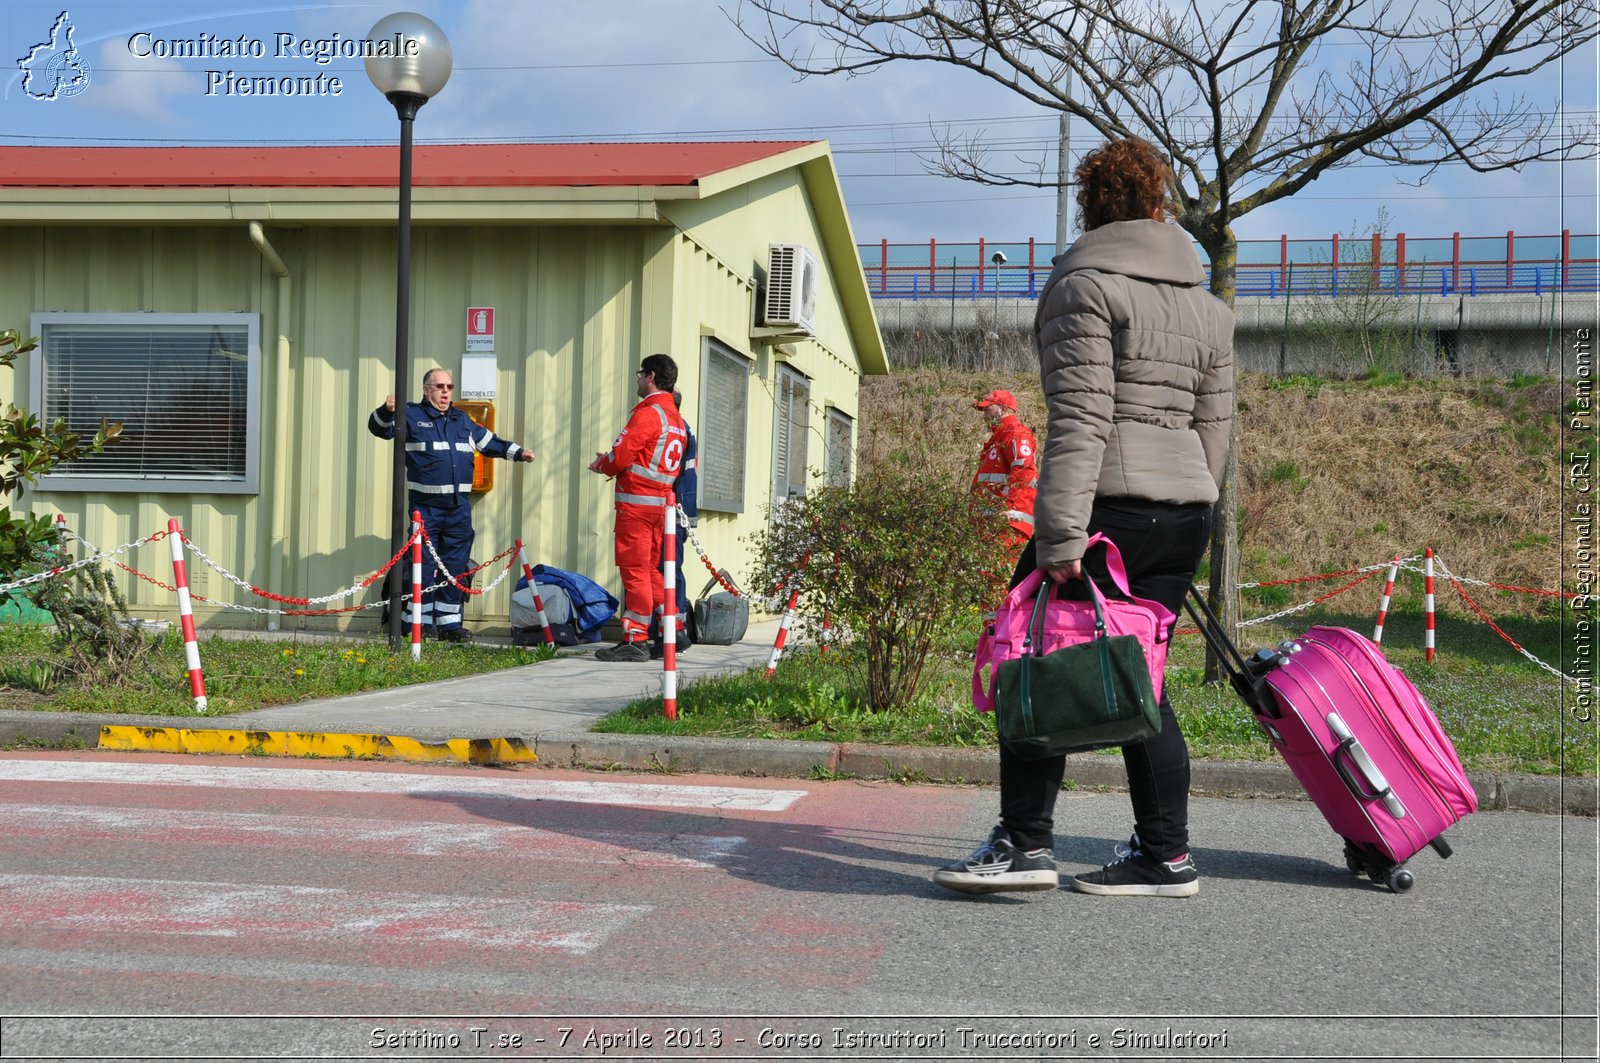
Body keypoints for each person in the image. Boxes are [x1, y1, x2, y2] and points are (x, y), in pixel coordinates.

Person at [935, 137, 1235, 898]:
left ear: (1090, 206)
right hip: (1186, 510)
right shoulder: (1208, 307)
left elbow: (1081, 418)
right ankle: (1165, 854)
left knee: (1034, 655)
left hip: (1105, 509)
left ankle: (1026, 845)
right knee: (1143, 674)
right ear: (1159, 205)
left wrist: (1060, 534)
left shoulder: (1087, 287)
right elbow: (1217, 428)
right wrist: (1190, 501)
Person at [368, 368, 536, 642]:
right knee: (423, 567)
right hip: (426, 509)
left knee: (455, 567)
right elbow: (380, 429)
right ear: (426, 390)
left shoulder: (461, 420)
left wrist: (518, 453)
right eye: (439, 387)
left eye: (449, 387)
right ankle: (417, 625)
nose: (445, 392)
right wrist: (386, 411)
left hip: (458, 510)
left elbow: (489, 442)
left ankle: (449, 626)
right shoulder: (410, 415)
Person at [588, 353, 688, 663]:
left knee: (635, 573)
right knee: (650, 572)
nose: (638, 379)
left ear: (652, 376)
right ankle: (675, 630)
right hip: (660, 507)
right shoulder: (676, 420)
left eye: (640, 374)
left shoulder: (649, 413)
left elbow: (621, 456)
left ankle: (636, 638)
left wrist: (602, 463)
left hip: (637, 508)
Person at [648, 388, 697, 659]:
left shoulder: (675, 430)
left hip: (670, 510)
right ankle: (672, 631)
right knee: (669, 570)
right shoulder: (684, 430)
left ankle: (672, 633)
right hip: (678, 510)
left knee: (666, 570)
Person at [969, 388, 1037, 560]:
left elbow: (1024, 473)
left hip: (1008, 527)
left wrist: (1009, 511)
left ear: (1003, 409)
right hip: (993, 525)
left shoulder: (1014, 434)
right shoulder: (998, 438)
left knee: (997, 583)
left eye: (987, 409)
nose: (984, 416)